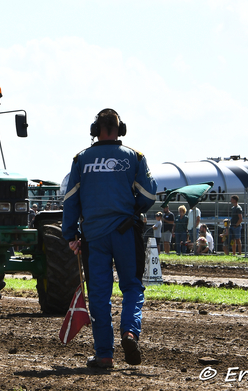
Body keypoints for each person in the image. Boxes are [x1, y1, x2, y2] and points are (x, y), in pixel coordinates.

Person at [62, 108, 157, 369]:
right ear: (120, 129)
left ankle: (104, 354)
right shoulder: (135, 158)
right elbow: (149, 196)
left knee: (100, 295)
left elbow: (70, 200)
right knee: (132, 287)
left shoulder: (81, 159)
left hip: (93, 238)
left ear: (95, 130)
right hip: (126, 233)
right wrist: (133, 209)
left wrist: (70, 234)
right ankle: (129, 332)